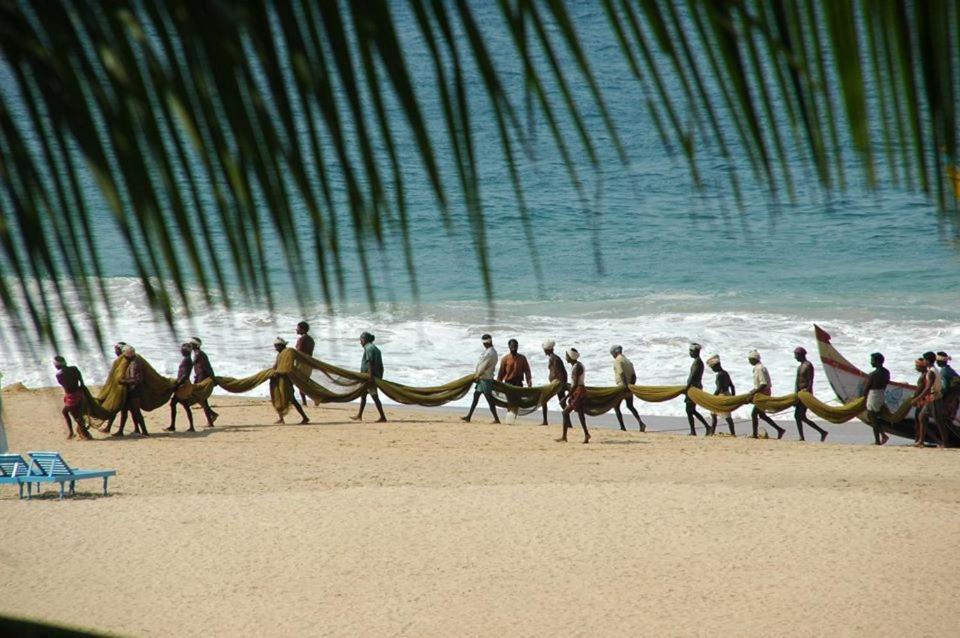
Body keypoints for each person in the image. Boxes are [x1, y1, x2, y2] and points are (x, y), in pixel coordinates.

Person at [462, 334, 501, 424]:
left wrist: (477, 375)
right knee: (476, 396)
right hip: (483, 378)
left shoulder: (489, 353)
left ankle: (497, 419)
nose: (483, 345)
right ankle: (469, 416)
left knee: (489, 399)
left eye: (484, 343)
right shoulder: (492, 352)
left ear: (487, 343)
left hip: (485, 379)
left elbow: (483, 366)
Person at [747, 350, 786, 439]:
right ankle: (779, 429)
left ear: (753, 359)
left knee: (754, 414)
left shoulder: (759, 368)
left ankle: (755, 434)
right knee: (762, 415)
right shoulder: (758, 367)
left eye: (749, 360)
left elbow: (763, 384)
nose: (749, 361)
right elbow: (759, 384)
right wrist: (752, 391)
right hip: (762, 393)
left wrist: (753, 392)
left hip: (763, 395)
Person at [271, 337, 310, 425]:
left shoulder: (287, 352)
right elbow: (276, 365)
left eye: (276, 346)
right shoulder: (280, 354)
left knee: (293, 400)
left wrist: (278, 372)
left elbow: (287, 367)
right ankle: (281, 419)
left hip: (286, 380)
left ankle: (305, 418)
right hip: (280, 379)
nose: (275, 348)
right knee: (278, 398)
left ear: (281, 345)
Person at [793, 347, 828, 442]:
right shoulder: (799, 367)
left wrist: (807, 391)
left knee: (798, 416)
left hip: (806, 394)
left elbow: (810, 380)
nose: (795, 357)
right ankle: (821, 432)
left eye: (796, 355)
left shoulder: (808, 365)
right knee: (799, 416)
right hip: (799, 393)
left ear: (801, 354)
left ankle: (803, 436)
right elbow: (797, 381)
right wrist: (795, 394)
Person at [352, 332, 387, 422]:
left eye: (361, 340)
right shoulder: (375, 348)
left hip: (369, 377)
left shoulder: (369, 348)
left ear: (365, 340)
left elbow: (370, 362)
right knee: (363, 396)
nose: (360, 342)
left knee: (374, 396)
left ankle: (383, 417)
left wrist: (370, 377)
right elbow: (381, 366)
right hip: (373, 376)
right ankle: (359, 415)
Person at [54, 356, 92, 440]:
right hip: (79, 393)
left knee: (75, 416)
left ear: (57, 365)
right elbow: (81, 381)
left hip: (71, 396)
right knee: (73, 414)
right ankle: (74, 432)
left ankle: (83, 434)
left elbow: (65, 386)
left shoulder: (59, 374)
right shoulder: (74, 368)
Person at [557, 349, 590, 444]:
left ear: (571, 357)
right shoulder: (577, 365)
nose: (566, 357)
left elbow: (575, 384)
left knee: (565, 412)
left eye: (567, 355)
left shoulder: (576, 367)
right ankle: (586, 434)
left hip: (578, 392)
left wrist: (566, 397)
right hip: (579, 391)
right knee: (580, 414)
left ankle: (564, 437)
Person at [115, 345, 148, 437]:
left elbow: (137, 379)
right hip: (129, 391)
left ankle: (145, 432)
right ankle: (121, 431)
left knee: (136, 412)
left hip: (134, 392)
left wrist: (123, 381)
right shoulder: (130, 362)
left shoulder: (135, 363)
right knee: (124, 411)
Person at [610, 345, 646, 432]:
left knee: (616, 406)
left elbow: (621, 373)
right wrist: (631, 386)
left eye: (612, 354)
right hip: (629, 387)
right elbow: (634, 376)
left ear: (615, 352)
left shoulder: (617, 361)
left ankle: (622, 427)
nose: (612, 356)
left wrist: (625, 386)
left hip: (622, 387)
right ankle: (641, 423)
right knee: (630, 406)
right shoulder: (628, 361)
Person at [915, 352, 946, 448]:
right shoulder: (932, 370)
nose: (923, 361)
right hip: (931, 398)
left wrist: (918, 398)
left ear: (927, 361)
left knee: (939, 422)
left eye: (924, 360)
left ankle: (945, 443)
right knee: (922, 417)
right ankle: (921, 441)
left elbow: (928, 388)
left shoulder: (931, 372)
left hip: (934, 398)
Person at [165, 343, 195, 432]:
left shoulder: (186, 360)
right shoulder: (188, 359)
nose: (181, 351)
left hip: (183, 385)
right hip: (185, 384)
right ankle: (190, 426)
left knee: (176, 404)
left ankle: (173, 426)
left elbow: (184, 375)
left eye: (182, 350)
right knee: (184, 405)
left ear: (186, 351)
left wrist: (177, 385)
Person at [861, 352, 890, 446]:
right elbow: (886, 383)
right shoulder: (886, 372)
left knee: (873, 418)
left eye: (872, 361)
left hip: (873, 395)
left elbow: (867, 387)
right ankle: (883, 435)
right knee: (874, 417)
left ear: (877, 362)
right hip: (881, 394)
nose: (871, 362)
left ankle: (878, 440)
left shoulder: (873, 374)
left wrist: (862, 398)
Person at [190, 337, 219, 427]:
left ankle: (211, 420)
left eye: (191, 343)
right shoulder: (197, 353)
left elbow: (194, 365)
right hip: (199, 377)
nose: (190, 344)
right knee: (201, 399)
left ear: (196, 345)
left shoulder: (198, 354)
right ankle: (212, 416)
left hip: (202, 378)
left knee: (201, 399)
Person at [99, 341, 126, 434]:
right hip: (117, 389)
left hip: (123, 390)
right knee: (114, 409)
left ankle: (120, 430)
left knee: (121, 410)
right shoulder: (120, 360)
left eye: (116, 350)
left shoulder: (124, 361)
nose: (115, 351)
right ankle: (109, 427)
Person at [706, 354, 736, 436]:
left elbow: (719, 388)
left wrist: (712, 397)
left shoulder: (719, 375)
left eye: (712, 368)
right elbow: (732, 386)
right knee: (716, 414)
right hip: (727, 394)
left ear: (716, 366)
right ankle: (732, 433)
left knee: (723, 416)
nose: (712, 369)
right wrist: (733, 397)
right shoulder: (725, 373)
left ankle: (713, 432)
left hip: (721, 396)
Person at [540, 340, 567, 426]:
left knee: (543, 399)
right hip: (557, 383)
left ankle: (545, 421)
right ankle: (568, 423)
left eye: (545, 349)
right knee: (562, 403)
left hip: (556, 384)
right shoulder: (554, 358)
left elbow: (559, 372)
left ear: (548, 350)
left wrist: (559, 383)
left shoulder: (554, 359)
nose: (544, 351)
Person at [684, 343, 710, 436]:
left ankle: (695, 430)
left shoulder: (697, 362)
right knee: (691, 410)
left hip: (693, 388)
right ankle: (704, 428)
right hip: (694, 387)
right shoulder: (697, 361)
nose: (689, 353)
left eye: (691, 351)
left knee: (689, 410)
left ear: (695, 352)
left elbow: (693, 376)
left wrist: (686, 388)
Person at [295, 321, 316, 406]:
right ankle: (315, 398)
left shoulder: (302, 339)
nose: (296, 329)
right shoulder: (311, 339)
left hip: (302, 363)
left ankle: (304, 402)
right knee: (304, 382)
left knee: (301, 383)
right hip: (309, 363)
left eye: (298, 328)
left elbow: (298, 352)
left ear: (302, 329)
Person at [936, 352, 958, 427]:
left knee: (945, 420)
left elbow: (945, 387)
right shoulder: (949, 369)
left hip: (951, 397)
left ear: (939, 362)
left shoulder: (943, 371)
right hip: (956, 395)